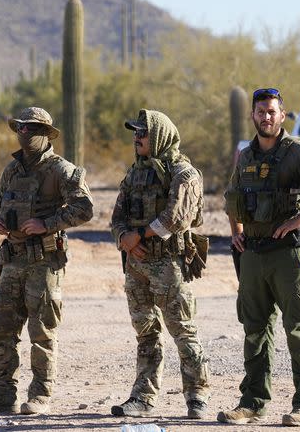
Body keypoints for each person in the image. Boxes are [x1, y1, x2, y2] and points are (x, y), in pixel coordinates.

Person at [219, 88, 300, 427]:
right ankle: (252, 403)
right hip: (253, 254)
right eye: (261, 111)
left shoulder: (297, 153)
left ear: (282, 114)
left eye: (273, 111)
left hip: (289, 255)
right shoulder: (246, 156)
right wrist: (236, 230)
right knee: (254, 330)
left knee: (298, 329)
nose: (267, 117)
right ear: (252, 116)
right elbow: (231, 197)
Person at [0, 107, 93, 415]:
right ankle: (2, 394)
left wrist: (46, 223)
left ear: (46, 134)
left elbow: (84, 208)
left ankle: (40, 396)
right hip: (12, 262)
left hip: (44, 263)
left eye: (32, 129)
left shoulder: (61, 170)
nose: (24, 133)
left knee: (42, 333)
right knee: (2, 332)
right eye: (20, 128)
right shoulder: (12, 170)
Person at [110, 109, 211, 420]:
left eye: (143, 132)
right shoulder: (134, 173)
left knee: (183, 330)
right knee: (146, 333)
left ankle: (197, 395)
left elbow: (175, 218)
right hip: (137, 265)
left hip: (169, 264)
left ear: (159, 136)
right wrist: (124, 238)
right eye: (135, 132)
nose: (136, 137)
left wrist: (136, 236)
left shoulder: (183, 173)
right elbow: (116, 218)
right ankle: (142, 397)